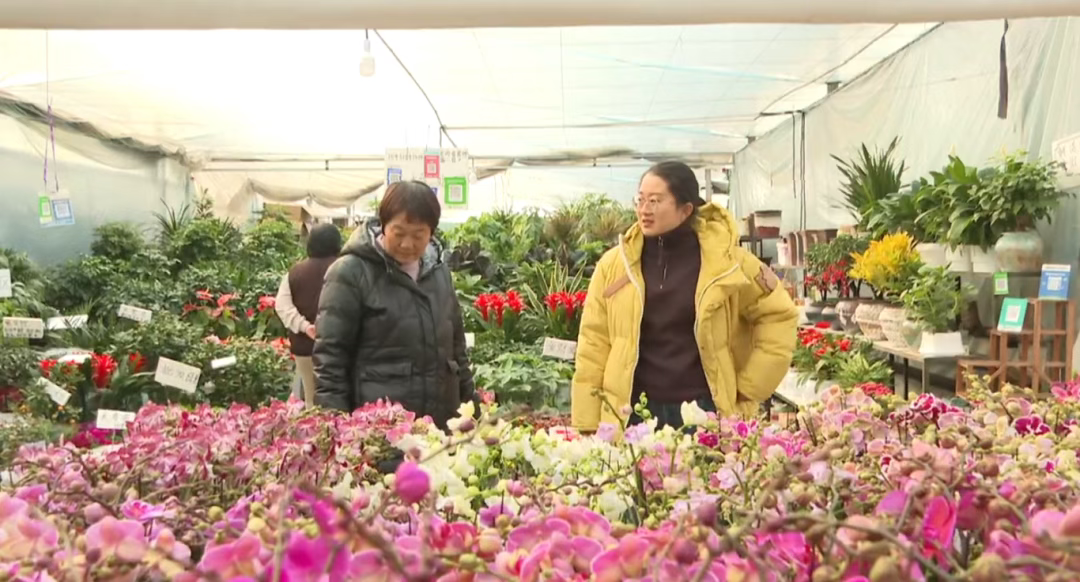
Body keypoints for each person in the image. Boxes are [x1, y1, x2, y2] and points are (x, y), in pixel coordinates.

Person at [571, 161, 798, 432]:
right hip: (633, 413)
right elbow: (593, 343)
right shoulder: (615, 266)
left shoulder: (728, 263)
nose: (644, 210)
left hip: (705, 412)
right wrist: (586, 423)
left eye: (655, 201)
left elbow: (779, 315)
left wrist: (749, 388)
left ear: (686, 209)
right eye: (640, 200)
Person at [313, 181, 475, 430]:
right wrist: (337, 430)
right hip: (381, 429)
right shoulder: (351, 273)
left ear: (431, 232)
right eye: (398, 233)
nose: (408, 244)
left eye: (419, 235)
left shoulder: (439, 273)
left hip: (440, 428)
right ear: (383, 225)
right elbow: (330, 360)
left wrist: (472, 405)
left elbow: (456, 348)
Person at [275, 223, 342, 406]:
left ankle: (315, 431)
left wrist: (305, 327)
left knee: (312, 398)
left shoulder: (295, 272)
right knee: (339, 398)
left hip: (304, 347)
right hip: (339, 348)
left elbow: (282, 306)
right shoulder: (345, 269)